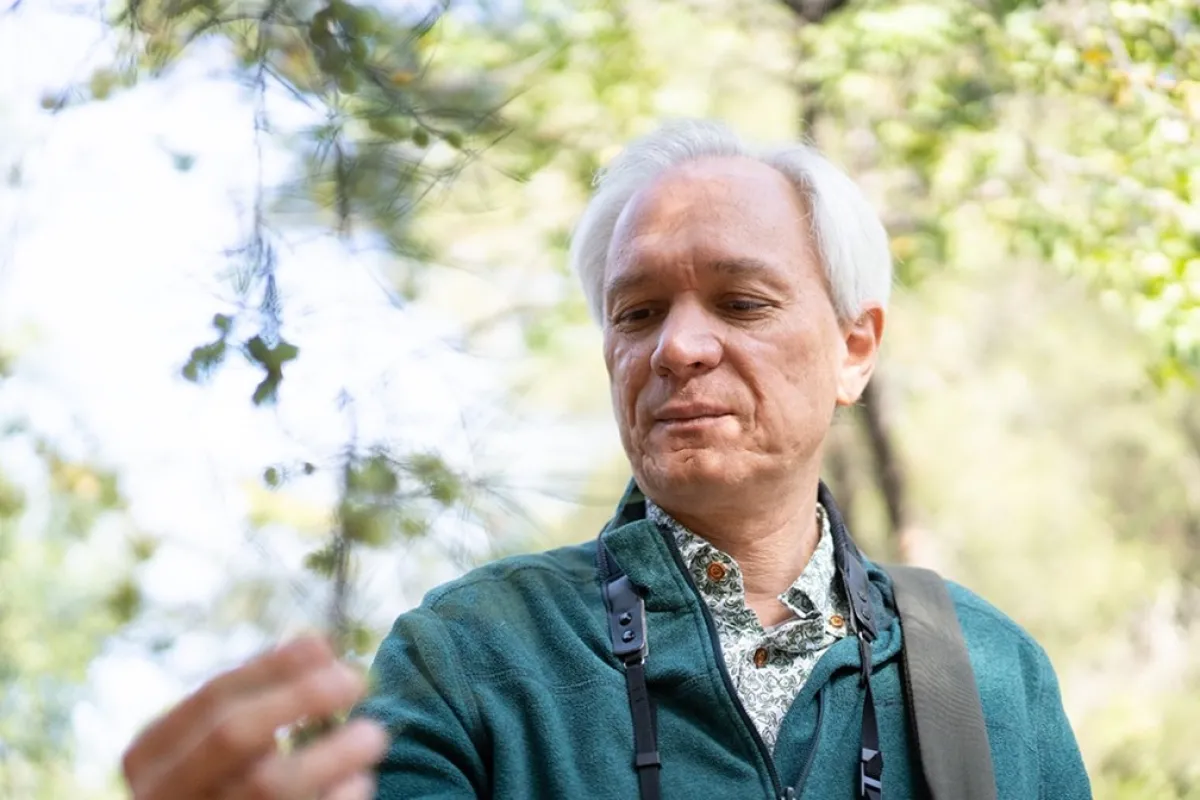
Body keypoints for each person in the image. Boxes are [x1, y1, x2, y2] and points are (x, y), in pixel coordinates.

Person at [121, 119, 1092, 800]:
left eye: (742, 302)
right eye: (637, 313)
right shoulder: (472, 655)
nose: (677, 348)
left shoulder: (994, 672)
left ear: (855, 347)